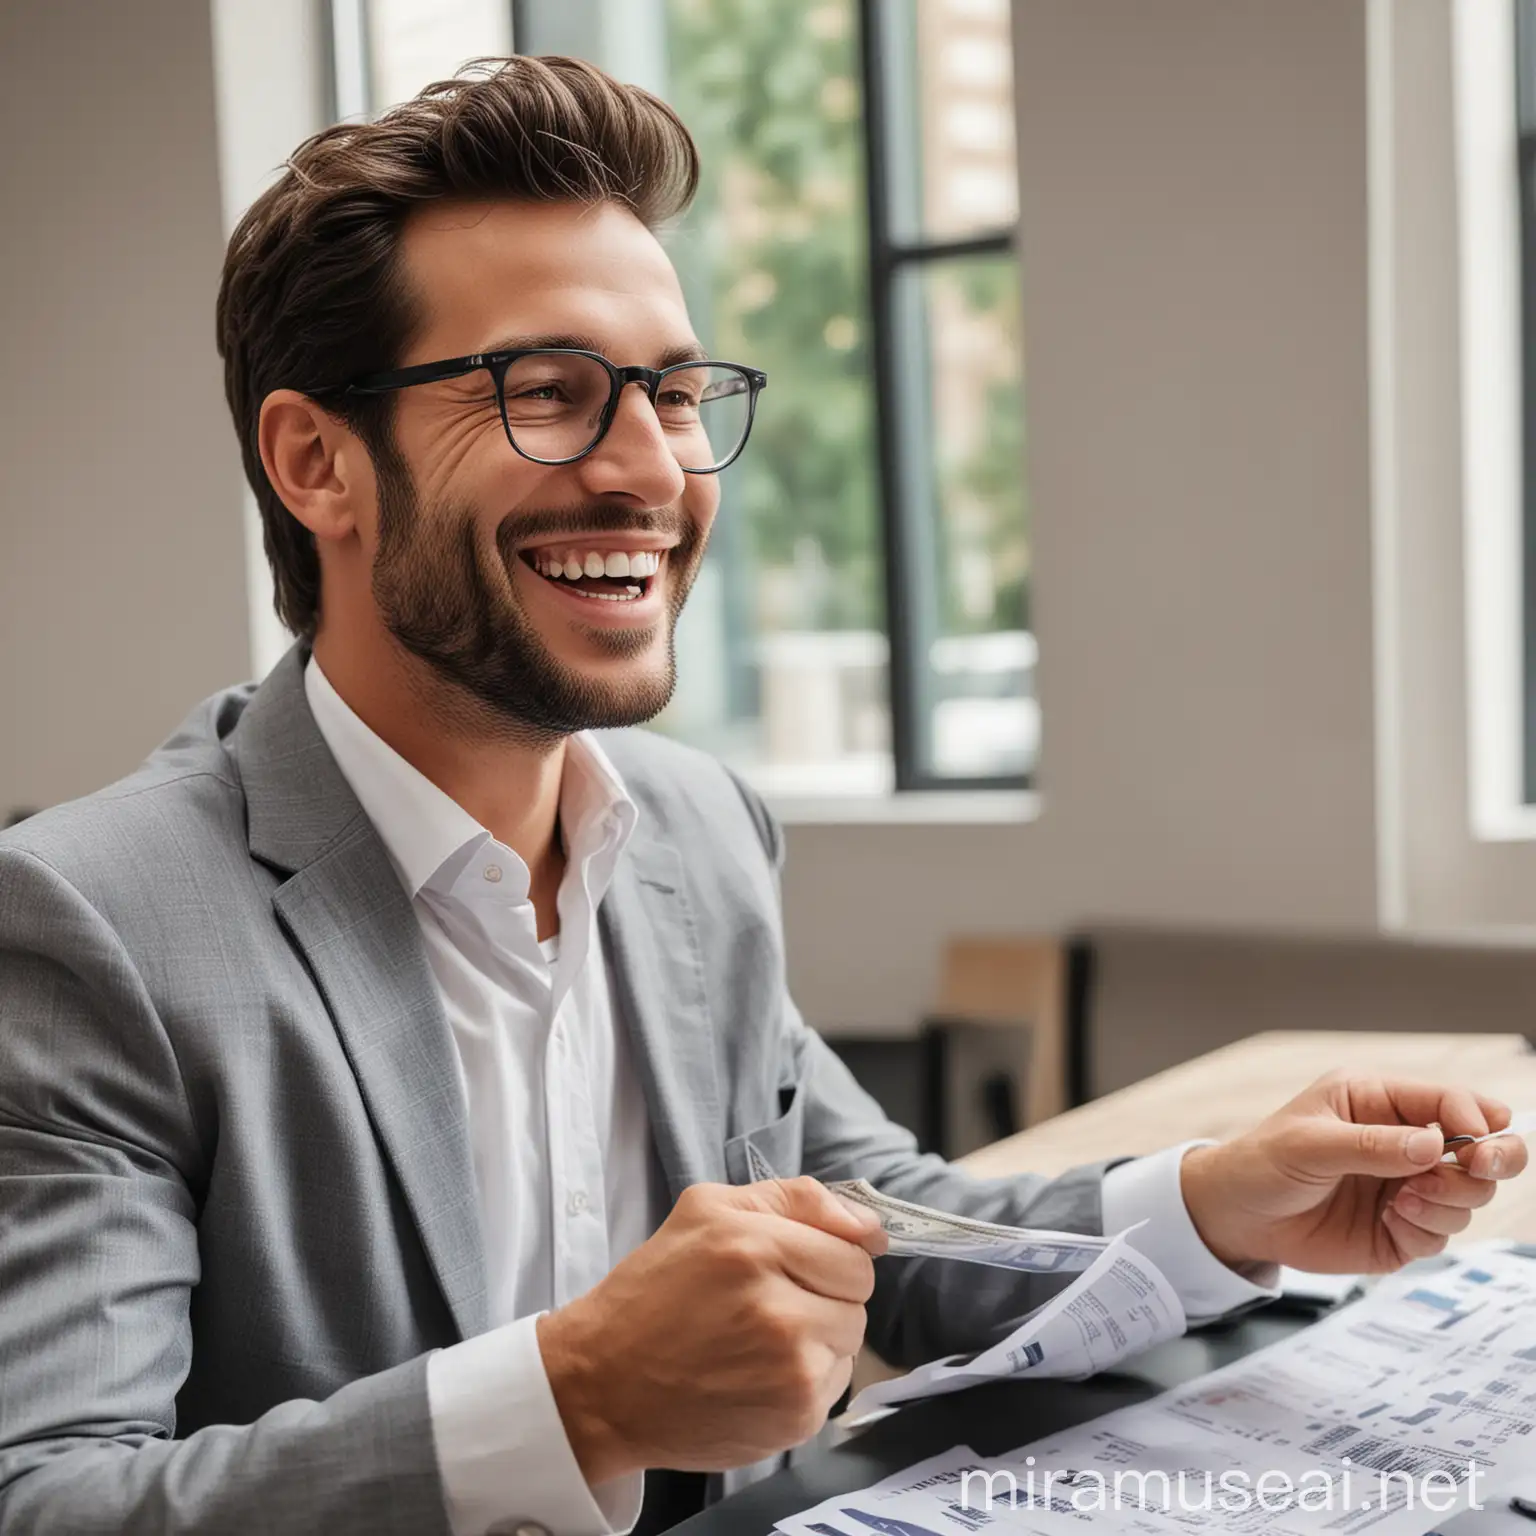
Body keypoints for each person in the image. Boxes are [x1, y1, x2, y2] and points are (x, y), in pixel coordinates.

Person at [0, 55, 1525, 1536]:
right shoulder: (95, 927)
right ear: (316, 462)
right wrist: (578, 1396)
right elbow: (49, 1497)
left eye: (672, 391)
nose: (653, 468)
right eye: (550, 392)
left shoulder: (696, 831)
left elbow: (888, 1223)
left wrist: (1220, 1206)